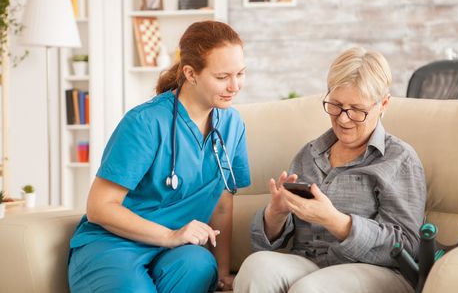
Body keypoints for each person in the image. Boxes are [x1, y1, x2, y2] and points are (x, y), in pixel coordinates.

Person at [68, 20, 251, 293]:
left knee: (200, 265)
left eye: (240, 73)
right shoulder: (145, 122)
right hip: (115, 243)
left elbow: (222, 204)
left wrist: (223, 273)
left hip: (175, 252)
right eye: (222, 77)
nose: (234, 86)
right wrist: (170, 235)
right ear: (190, 73)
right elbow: (99, 206)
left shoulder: (232, 125)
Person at [234, 47, 426, 293]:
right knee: (255, 267)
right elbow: (264, 244)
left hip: (376, 271)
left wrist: (336, 221)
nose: (343, 119)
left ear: (384, 104)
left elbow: (408, 245)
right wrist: (276, 213)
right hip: (310, 264)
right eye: (335, 105)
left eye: (356, 110)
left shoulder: (400, 159)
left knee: (310, 289)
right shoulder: (309, 154)